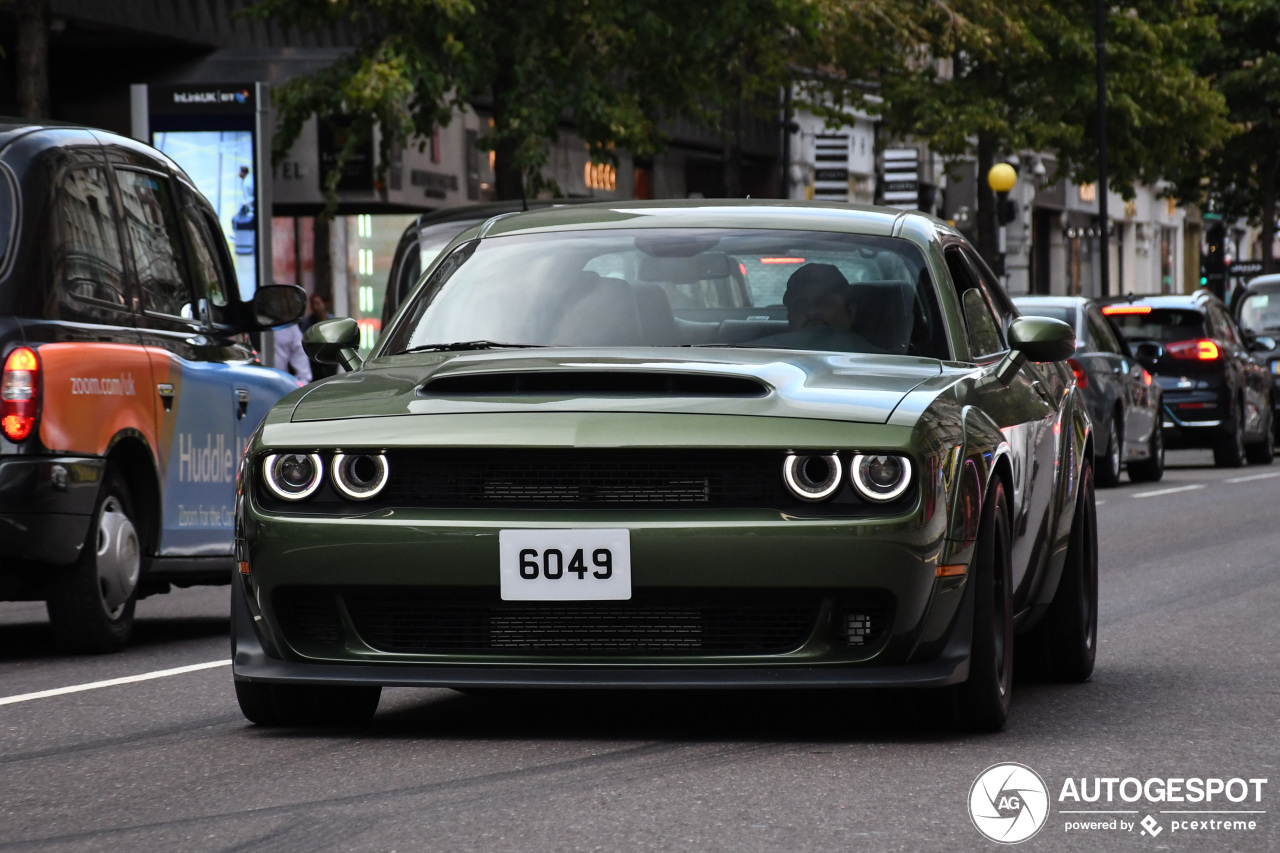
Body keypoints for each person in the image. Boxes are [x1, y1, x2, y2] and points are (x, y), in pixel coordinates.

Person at [754, 263, 880, 352]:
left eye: (825, 302)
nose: (812, 311)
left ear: (851, 312)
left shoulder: (882, 363)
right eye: (801, 304)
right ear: (789, 317)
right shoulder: (755, 357)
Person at [300, 293, 337, 379]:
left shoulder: (332, 321)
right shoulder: (308, 323)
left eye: (318, 303)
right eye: (313, 304)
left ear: (324, 304)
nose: (316, 307)